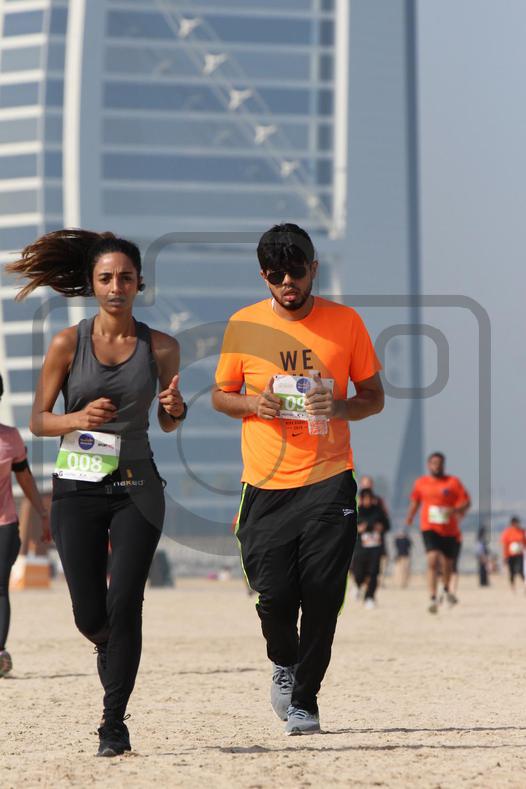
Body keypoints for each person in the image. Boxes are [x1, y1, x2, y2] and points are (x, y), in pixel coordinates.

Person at [6, 230, 186, 755]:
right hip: (77, 485)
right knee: (91, 615)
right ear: (91, 284)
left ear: (139, 284)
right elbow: (39, 421)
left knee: (126, 601)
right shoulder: (69, 342)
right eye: (106, 278)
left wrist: (175, 410)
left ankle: (113, 723)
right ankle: (110, 646)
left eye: (125, 278)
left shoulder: (162, 347)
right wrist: (78, 418)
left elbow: (168, 421)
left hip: (136, 485)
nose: (115, 287)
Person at [212, 223, 384, 735]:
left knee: (323, 595)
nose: (287, 282)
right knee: (276, 597)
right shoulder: (243, 324)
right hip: (265, 485)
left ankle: (306, 700)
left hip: (329, 479)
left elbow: (374, 397)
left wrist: (340, 406)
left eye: (296, 271)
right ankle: (283, 662)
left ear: (313, 268)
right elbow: (221, 396)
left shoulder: (346, 322)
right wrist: (253, 403)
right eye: (276, 274)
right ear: (263, 276)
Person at [0, 374, 50, 677]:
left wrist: (42, 512)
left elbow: (25, 477)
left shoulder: (10, 438)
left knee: (0, 589)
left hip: (4, 524)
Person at [406, 452, 470, 614]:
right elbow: (415, 502)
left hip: (449, 529)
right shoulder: (421, 483)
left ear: (444, 465)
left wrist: (455, 510)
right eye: (433, 463)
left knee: (448, 564)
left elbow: (466, 502)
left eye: (439, 463)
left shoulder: (453, 482)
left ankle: (446, 588)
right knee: (432, 559)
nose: (437, 466)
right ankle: (433, 597)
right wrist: (410, 517)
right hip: (429, 527)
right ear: (429, 465)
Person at [351, 488, 389, 608]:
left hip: (375, 548)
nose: (367, 501)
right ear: (361, 499)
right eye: (365, 498)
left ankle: (369, 597)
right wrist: (358, 528)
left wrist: (381, 527)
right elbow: (348, 527)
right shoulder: (356, 511)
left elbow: (387, 525)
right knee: (358, 572)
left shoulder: (378, 511)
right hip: (360, 548)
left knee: (373, 573)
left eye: (369, 498)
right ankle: (357, 585)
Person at [500, 516, 526, 591]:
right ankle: (513, 586)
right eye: (515, 523)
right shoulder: (507, 532)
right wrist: (505, 556)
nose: (517, 524)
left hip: (520, 554)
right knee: (511, 571)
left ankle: (524, 584)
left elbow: (524, 542)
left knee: (521, 570)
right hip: (510, 555)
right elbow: (505, 545)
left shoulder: (522, 531)